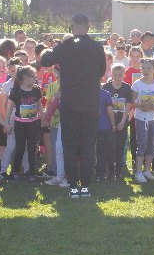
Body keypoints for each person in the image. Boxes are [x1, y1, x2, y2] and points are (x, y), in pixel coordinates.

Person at [39, 14, 106, 197]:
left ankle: (73, 187)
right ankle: (86, 187)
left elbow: (45, 60)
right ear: (88, 26)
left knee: (69, 146)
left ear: (72, 27)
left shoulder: (65, 46)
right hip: (90, 104)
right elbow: (101, 71)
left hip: (70, 104)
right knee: (88, 147)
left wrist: (51, 48)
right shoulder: (97, 47)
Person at [6, 66, 43, 182]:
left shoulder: (36, 90)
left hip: (33, 124)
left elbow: (39, 105)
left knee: (32, 148)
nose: (35, 79)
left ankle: (31, 172)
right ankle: (15, 171)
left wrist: (43, 118)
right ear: (25, 77)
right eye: (33, 76)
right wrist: (6, 123)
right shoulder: (16, 91)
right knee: (20, 148)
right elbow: (9, 108)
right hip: (20, 124)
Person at [130, 58, 154, 184]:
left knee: (151, 144)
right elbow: (133, 102)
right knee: (142, 143)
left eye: (149, 68)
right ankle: (138, 172)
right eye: (143, 68)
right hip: (141, 118)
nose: (146, 70)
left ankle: (147, 170)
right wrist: (142, 106)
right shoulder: (137, 84)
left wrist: (153, 106)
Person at [103, 64, 132, 180]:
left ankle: (118, 171)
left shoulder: (127, 88)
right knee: (109, 146)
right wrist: (111, 123)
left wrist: (123, 121)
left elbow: (128, 105)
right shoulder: (106, 87)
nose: (117, 77)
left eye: (120, 75)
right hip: (108, 121)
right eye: (115, 74)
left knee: (120, 146)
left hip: (121, 121)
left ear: (124, 75)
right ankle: (110, 171)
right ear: (111, 74)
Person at [96, 85, 117, 181]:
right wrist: (113, 125)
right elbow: (110, 111)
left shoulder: (88, 94)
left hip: (92, 127)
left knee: (98, 152)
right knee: (109, 150)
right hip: (105, 127)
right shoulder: (106, 94)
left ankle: (99, 174)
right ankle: (111, 173)